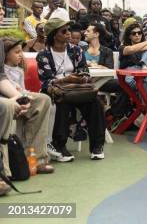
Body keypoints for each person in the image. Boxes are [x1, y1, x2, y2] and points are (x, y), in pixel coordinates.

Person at [36, 18, 106, 161]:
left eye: (68, 29)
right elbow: (46, 80)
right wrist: (66, 80)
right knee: (62, 102)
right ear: (54, 35)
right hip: (56, 90)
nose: (68, 33)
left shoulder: (76, 50)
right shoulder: (43, 55)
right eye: (64, 31)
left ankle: (97, 146)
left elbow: (84, 72)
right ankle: (59, 146)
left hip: (77, 89)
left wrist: (80, 78)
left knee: (96, 103)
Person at [1, 38, 54, 174]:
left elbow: (1, 78)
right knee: (7, 105)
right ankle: (5, 171)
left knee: (43, 100)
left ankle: (35, 159)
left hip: (8, 92)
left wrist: (19, 98)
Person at [119, 22, 147, 130]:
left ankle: (144, 67)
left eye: (139, 33)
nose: (137, 35)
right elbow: (130, 50)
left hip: (145, 72)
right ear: (129, 35)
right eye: (134, 33)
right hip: (131, 74)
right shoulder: (123, 47)